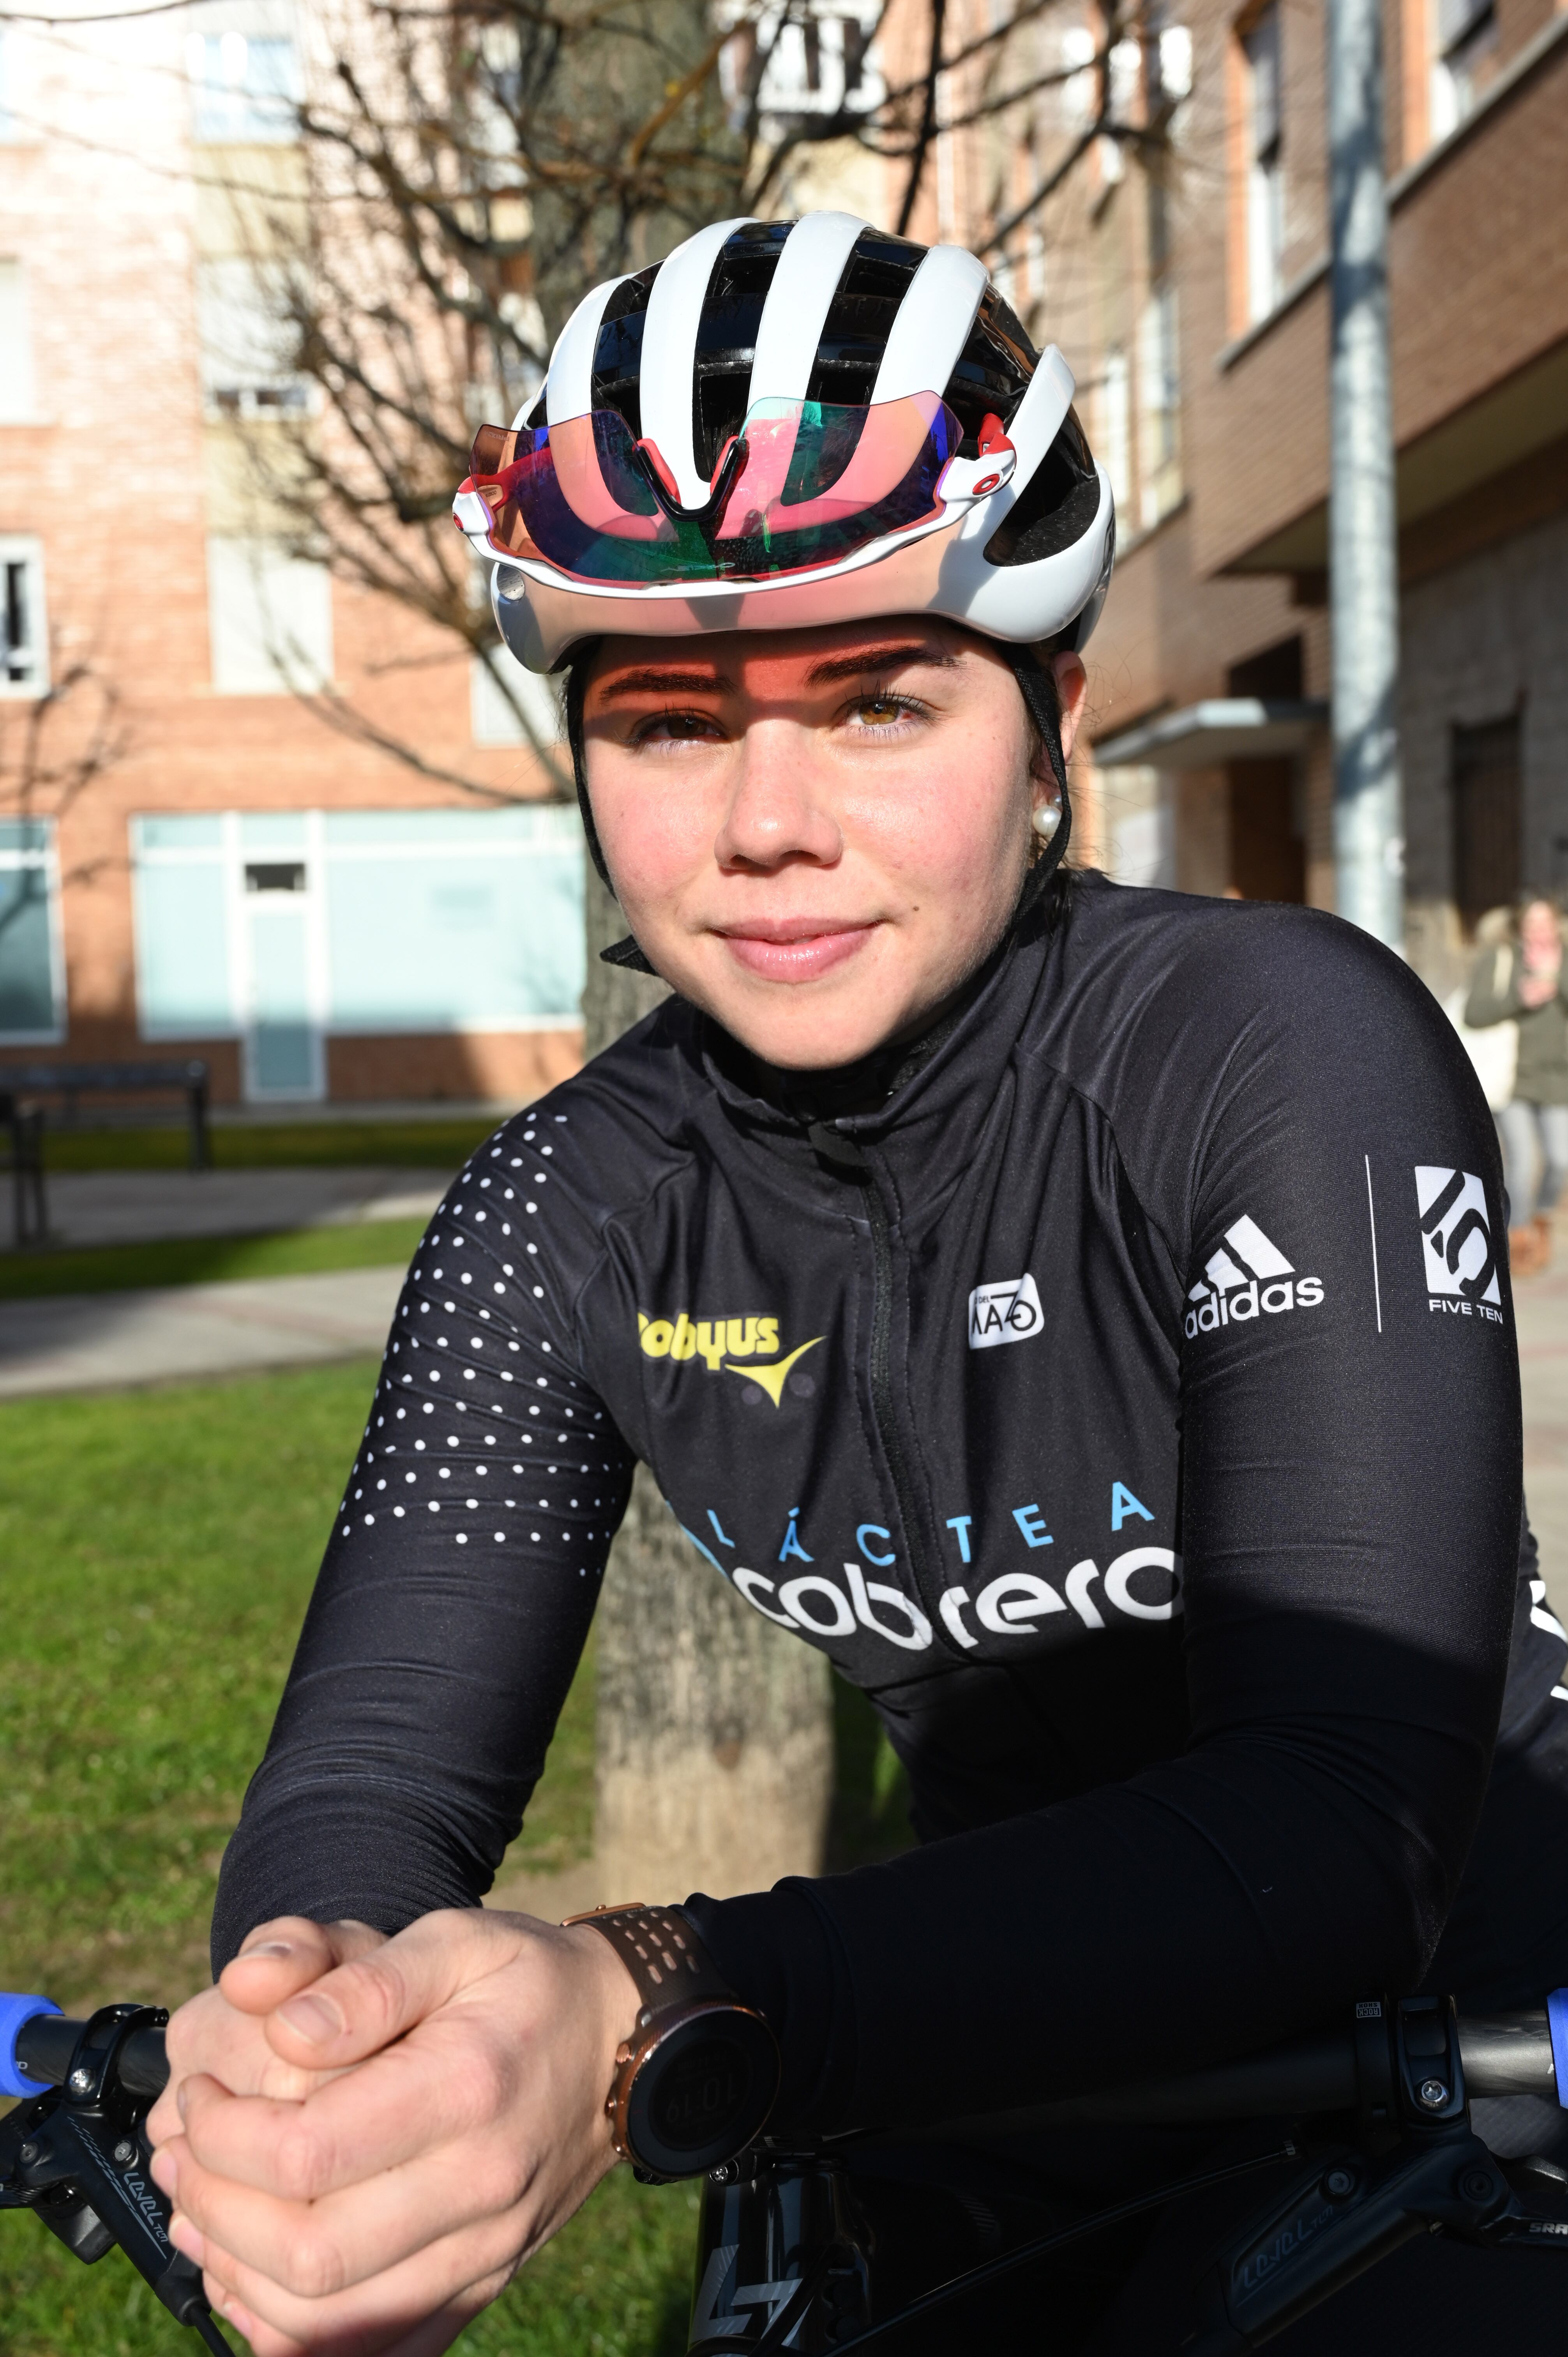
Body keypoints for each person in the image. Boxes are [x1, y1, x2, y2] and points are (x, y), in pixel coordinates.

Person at [144, 215, 1568, 2356]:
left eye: (877, 699)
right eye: (666, 719)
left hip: (1470, 2003)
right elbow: (369, 1784)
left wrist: (649, 1993)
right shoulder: (560, 1206)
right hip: (974, 2021)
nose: (763, 823)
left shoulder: (1266, 1042)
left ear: (1049, 712)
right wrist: (328, 2052)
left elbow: (1334, 1809)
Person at [1465, 894, 1568, 1277]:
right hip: (1512, 1081)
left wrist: (1556, 977)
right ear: (1521, 929)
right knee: (1522, 1162)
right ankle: (1518, 1238)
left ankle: (1541, 1221)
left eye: (1545, 926)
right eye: (1532, 926)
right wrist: (1517, 998)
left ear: (1555, 926)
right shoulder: (1501, 960)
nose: (1539, 934)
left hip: (1558, 1079)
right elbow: (1473, 1013)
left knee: (1560, 1160)